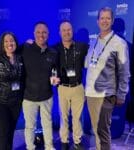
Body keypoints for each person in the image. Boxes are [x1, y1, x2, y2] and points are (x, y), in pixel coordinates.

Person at [85, 7, 130, 150]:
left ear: (112, 21)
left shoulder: (119, 43)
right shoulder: (93, 42)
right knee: (96, 130)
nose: (104, 21)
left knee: (102, 131)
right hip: (91, 93)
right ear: (97, 21)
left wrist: (122, 93)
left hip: (106, 94)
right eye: (102, 18)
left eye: (107, 18)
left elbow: (124, 72)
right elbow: (89, 65)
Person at [0, 32, 24, 150]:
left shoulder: (20, 57)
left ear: (15, 42)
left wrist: (28, 42)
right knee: (3, 132)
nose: (9, 43)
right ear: (2, 44)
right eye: (6, 41)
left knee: (10, 133)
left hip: (15, 102)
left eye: (11, 40)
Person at [21, 22, 58, 150]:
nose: (41, 35)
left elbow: (56, 71)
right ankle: (30, 147)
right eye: (38, 32)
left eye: (44, 32)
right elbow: (8, 50)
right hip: (28, 96)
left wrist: (56, 78)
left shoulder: (53, 52)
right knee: (30, 126)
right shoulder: (25, 48)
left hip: (46, 96)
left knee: (47, 124)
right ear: (34, 33)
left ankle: (49, 146)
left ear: (48, 34)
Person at [54, 21, 88, 150]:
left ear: (72, 31)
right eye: (64, 30)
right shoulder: (55, 49)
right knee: (63, 117)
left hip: (78, 87)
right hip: (62, 88)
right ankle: (64, 141)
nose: (67, 32)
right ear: (60, 32)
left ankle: (77, 141)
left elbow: (95, 53)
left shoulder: (82, 46)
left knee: (77, 117)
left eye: (69, 30)